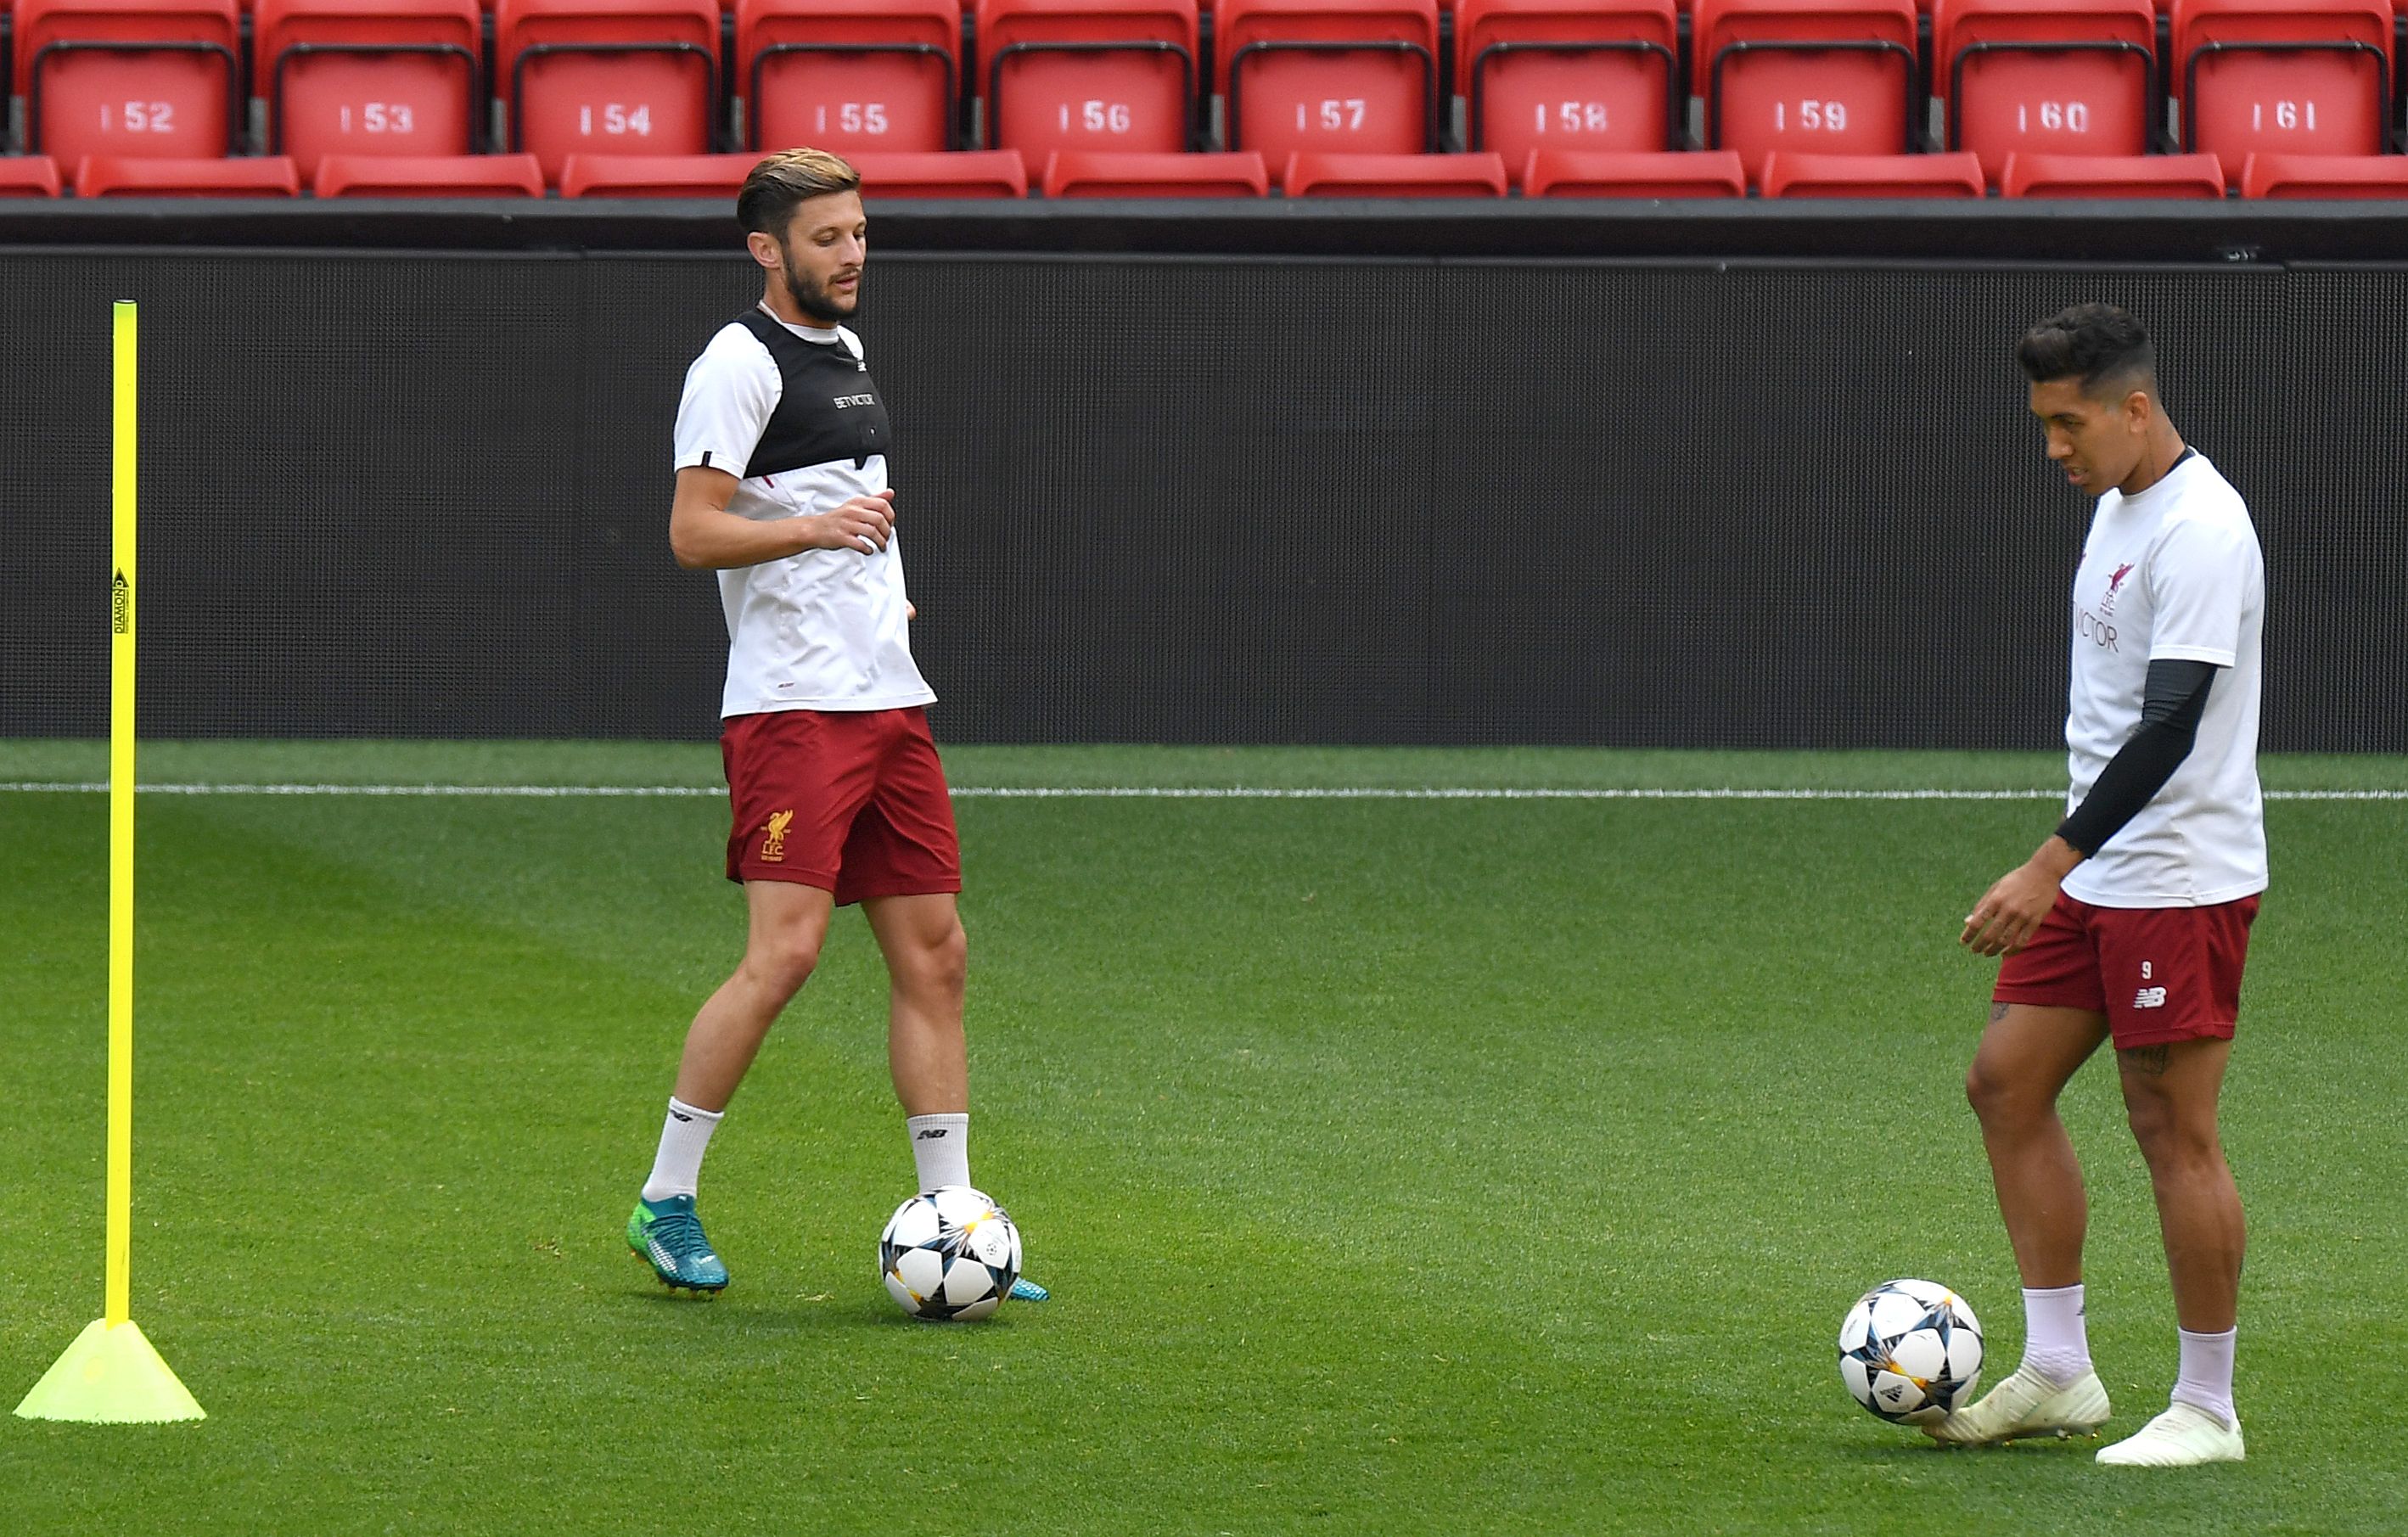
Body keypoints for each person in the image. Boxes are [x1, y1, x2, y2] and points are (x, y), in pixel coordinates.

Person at [624, 148, 1043, 1304]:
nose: (852, 254)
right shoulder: (734, 365)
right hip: (793, 708)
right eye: (828, 238)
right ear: (767, 249)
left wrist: (880, 591)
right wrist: (818, 540)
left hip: (884, 696)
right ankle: (666, 1199)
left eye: (859, 232)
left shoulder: (847, 352)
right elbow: (693, 534)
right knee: (787, 954)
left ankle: (951, 1217)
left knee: (936, 955)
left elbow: (847, 513)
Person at [1936, 304, 2262, 1467]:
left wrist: (2045, 863)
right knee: (2003, 1083)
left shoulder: (2202, 530)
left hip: (2173, 881)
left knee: (2169, 1129)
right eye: (2041, 425)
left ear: (2135, 408)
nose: (2053, 449)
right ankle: (2060, 1370)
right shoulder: (2120, 503)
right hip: (2102, 872)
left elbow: (2169, 723)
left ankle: (2206, 1410)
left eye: (2068, 423)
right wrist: (2074, 868)